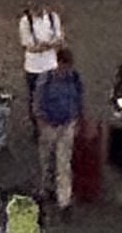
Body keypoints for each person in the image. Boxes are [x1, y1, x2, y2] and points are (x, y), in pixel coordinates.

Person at [34, 47, 86, 213]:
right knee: (47, 160)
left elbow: (79, 99)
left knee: (63, 163)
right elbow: (37, 101)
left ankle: (64, 200)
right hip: (49, 125)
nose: (66, 70)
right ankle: (46, 188)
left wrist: (77, 120)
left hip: (66, 125)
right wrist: (41, 121)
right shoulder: (46, 79)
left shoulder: (74, 78)